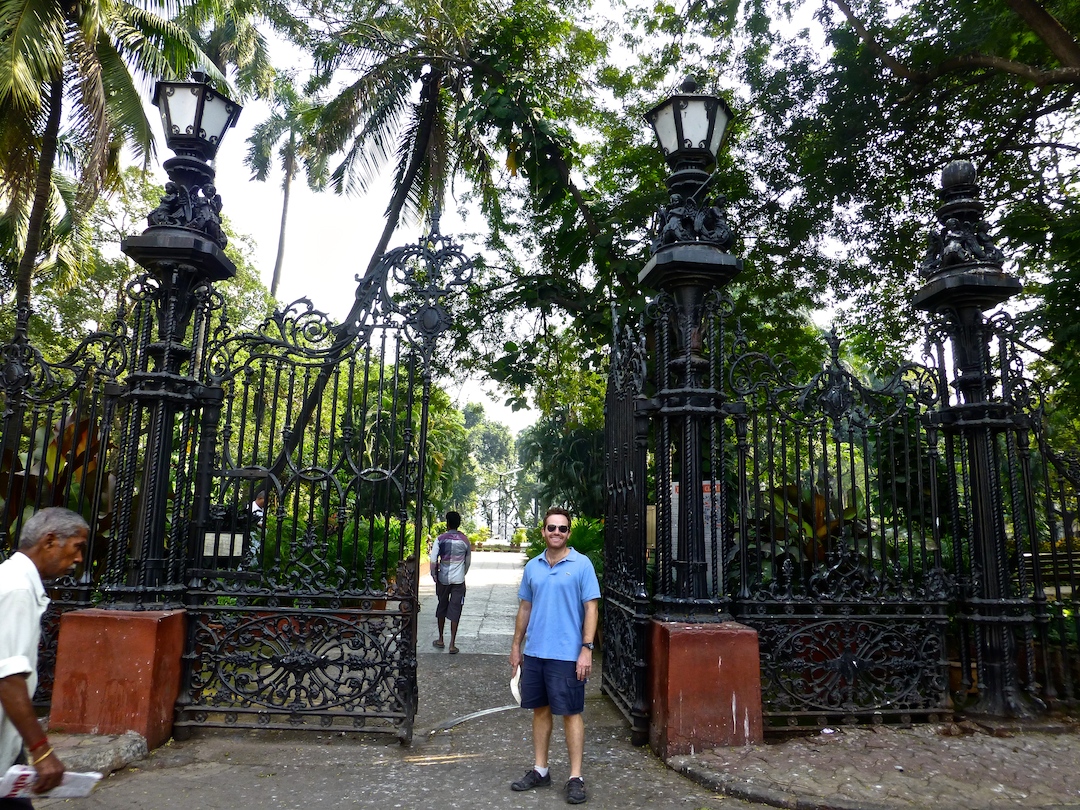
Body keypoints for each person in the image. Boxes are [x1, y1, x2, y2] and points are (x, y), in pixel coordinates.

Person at [509, 507, 600, 805]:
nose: (556, 532)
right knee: (540, 711)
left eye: (562, 528)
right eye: (551, 528)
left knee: (571, 713)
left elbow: (591, 608)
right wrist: (516, 646)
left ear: (568, 533)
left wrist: (586, 649)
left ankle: (576, 777)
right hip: (536, 651)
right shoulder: (533, 566)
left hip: (567, 654)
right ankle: (541, 770)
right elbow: (525, 607)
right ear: (543, 532)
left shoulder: (582, 565)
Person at [0, 507, 89, 808]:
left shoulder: (14, 580)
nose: (79, 559)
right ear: (49, 541)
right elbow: (8, 677)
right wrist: (41, 750)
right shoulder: (17, 589)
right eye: (77, 547)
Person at [429, 511, 471, 654]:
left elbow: (433, 560)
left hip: (443, 579)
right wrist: (462, 573)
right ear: (458, 524)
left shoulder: (440, 539)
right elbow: (468, 562)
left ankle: (441, 639)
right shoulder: (465, 540)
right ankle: (452, 644)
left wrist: (434, 575)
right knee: (456, 609)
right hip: (458, 580)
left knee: (442, 605)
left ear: (447, 524)